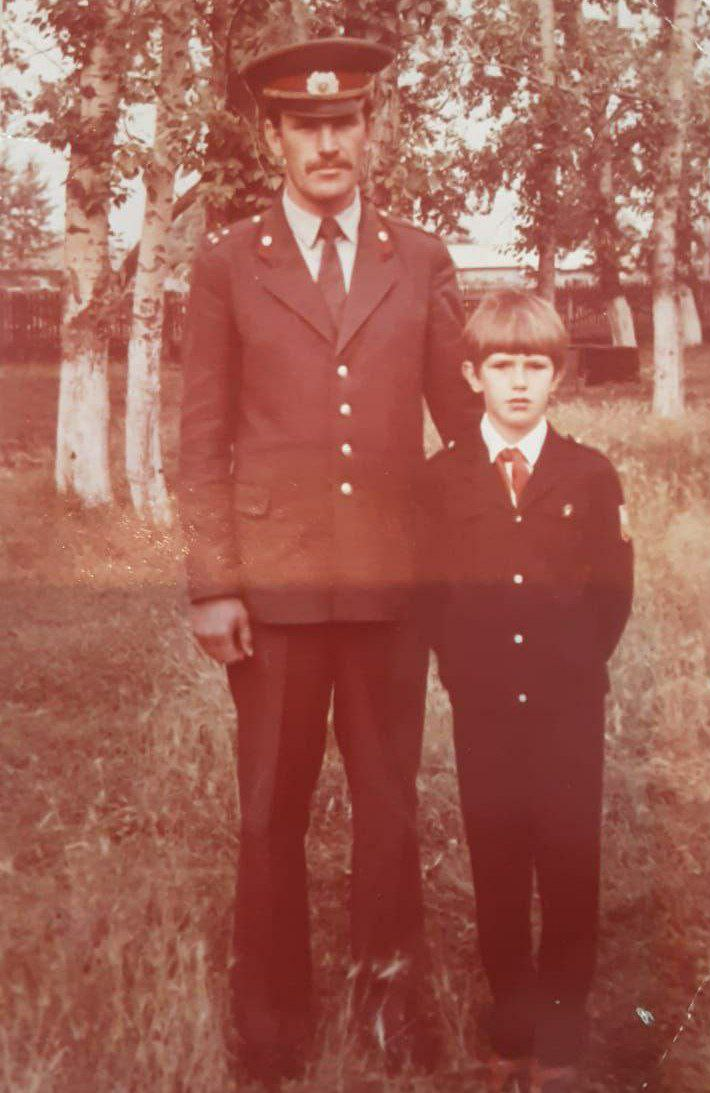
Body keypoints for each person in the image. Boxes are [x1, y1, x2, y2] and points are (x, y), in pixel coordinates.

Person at [179, 35, 478, 1084]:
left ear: (370, 130)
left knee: (389, 806)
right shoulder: (226, 262)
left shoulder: (420, 257)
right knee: (271, 809)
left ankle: (389, 1004)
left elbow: (464, 425)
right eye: (306, 127)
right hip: (274, 587)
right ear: (273, 138)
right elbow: (201, 437)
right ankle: (271, 1026)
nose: (327, 144)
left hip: (394, 585)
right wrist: (213, 582)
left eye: (344, 122)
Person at [424, 290, 634, 1092]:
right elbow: (430, 595)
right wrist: (465, 671)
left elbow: (612, 594)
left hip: (567, 707)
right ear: (472, 375)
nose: (519, 381)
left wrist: (570, 669)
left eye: (536, 365)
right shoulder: (442, 479)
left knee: (571, 860)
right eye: (503, 365)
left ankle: (562, 1030)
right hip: (483, 707)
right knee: (498, 860)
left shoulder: (590, 472)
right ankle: (511, 1025)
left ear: (559, 374)